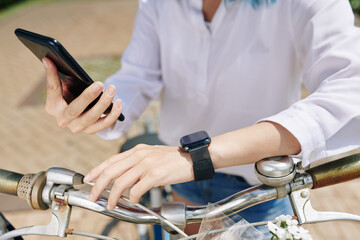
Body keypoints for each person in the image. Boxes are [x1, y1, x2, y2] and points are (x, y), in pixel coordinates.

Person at [42, 0, 360, 235]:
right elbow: (139, 75)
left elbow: (351, 87)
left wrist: (199, 156)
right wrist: (99, 107)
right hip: (182, 187)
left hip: (261, 188)